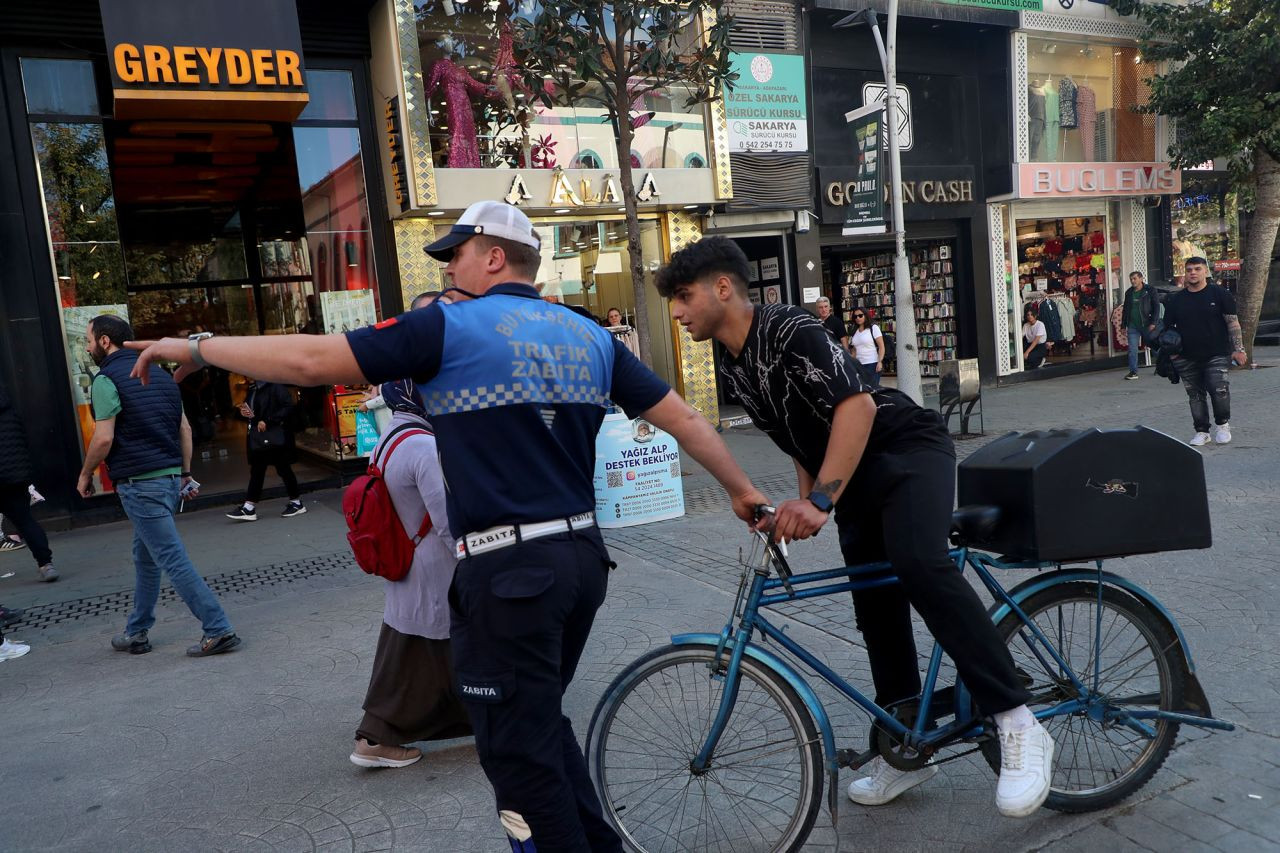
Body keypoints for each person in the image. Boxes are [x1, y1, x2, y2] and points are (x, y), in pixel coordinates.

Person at [126, 200, 767, 851]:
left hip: (510, 573)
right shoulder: (588, 335)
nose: (449, 269)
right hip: (582, 561)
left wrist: (200, 346)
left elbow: (313, 362)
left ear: (493, 256)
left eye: (455, 254)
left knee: (517, 761)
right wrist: (743, 492)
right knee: (537, 725)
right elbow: (684, 418)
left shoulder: (446, 327)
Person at [656, 236, 1054, 819]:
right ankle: (907, 745)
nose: (676, 310)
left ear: (723, 288)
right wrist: (801, 508)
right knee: (875, 605)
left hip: (904, 451)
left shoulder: (791, 329)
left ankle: (1018, 720)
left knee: (920, 563)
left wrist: (821, 499)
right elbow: (799, 437)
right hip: (851, 476)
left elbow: (858, 406)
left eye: (684, 295)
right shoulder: (731, 362)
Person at [77, 315, 240, 657]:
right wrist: (183, 474)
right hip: (166, 480)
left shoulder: (106, 380)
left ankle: (218, 628)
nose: (87, 346)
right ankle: (137, 631)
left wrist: (85, 473)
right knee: (146, 556)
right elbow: (185, 430)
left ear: (106, 341)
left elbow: (103, 438)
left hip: (140, 484)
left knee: (171, 559)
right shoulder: (163, 376)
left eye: (90, 340)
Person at [351, 379, 472, 769]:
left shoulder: (392, 433)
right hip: (435, 568)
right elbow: (447, 521)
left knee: (423, 651)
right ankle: (374, 738)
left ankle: (488, 718)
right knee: (421, 655)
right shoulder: (422, 445)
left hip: (408, 561)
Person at [1160, 257, 1248, 445]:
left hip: (1216, 353)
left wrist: (1239, 349)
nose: (1193, 272)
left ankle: (1223, 425)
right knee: (1195, 396)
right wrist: (1174, 355)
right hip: (1185, 356)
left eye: (1197, 269)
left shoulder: (1220, 294)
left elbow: (1232, 322)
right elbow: (1167, 329)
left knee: (1219, 390)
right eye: (1189, 269)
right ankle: (1202, 431)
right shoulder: (1176, 300)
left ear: (1205, 271)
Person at [0, 376, 57, 581]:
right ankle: (46, 565)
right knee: (25, 521)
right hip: (15, 476)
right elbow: (22, 441)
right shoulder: (9, 410)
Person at [225, 379, 306, 522]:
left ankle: (296, 503)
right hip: (260, 437)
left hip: (274, 437)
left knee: (283, 469)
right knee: (258, 470)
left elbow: (288, 406)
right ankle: (249, 507)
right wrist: (245, 413)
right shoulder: (253, 388)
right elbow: (254, 411)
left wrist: (268, 420)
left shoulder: (275, 386)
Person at [1121, 271, 1159, 380]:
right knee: (1132, 349)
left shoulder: (1150, 290)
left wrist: (1153, 322)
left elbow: (1156, 307)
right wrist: (1123, 325)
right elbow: (1126, 309)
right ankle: (1133, 372)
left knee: (1154, 346)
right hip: (1133, 325)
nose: (1132, 281)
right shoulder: (1129, 292)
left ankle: (1163, 365)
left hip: (1147, 324)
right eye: (1131, 279)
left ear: (1141, 278)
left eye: (1134, 278)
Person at [848, 307, 886, 386]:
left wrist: (880, 362)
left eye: (860, 315)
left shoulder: (873, 328)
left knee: (872, 389)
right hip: (858, 365)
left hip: (872, 364)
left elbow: (881, 346)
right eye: (855, 316)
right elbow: (854, 349)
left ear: (866, 315)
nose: (858, 318)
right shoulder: (854, 330)